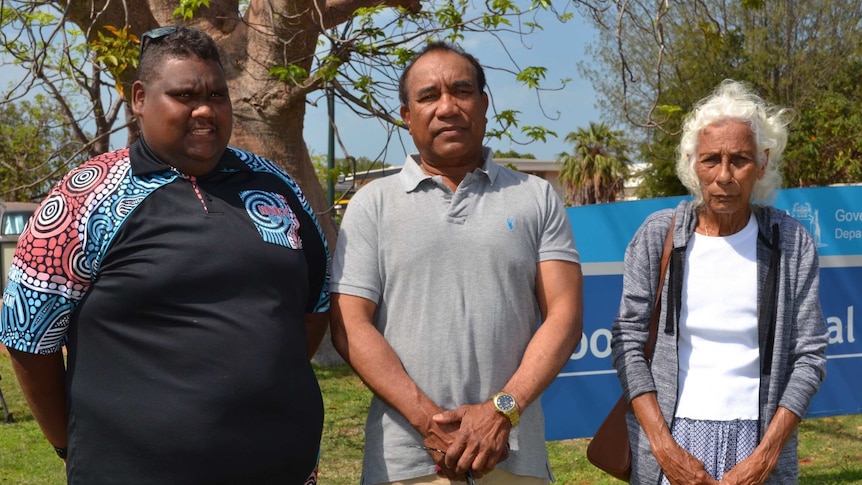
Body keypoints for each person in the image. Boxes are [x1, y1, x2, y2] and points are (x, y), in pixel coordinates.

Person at [0, 26, 330, 484]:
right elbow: (28, 338)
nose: (205, 111)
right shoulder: (84, 199)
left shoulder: (277, 188)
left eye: (217, 95)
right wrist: (68, 443)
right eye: (185, 95)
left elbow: (313, 309)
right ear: (139, 98)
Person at [329, 41, 584, 484]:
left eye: (462, 91)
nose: (447, 107)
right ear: (406, 117)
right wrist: (428, 421)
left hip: (512, 458)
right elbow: (350, 325)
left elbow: (564, 315)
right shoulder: (372, 204)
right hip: (405, 464)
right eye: (428, 96)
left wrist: (501, 412)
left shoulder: (535, 196)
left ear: (484, 105)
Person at [611, 80, 828, 485]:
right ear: (693, 163)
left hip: (758, 442)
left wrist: (765, 456)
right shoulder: (659, 235)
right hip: (672, 440)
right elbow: (627, 341)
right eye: (711, 159)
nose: (724, 176)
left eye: (740, 159)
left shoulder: (791, 241)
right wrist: (663, 448)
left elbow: (810, 356)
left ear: (761, 164)